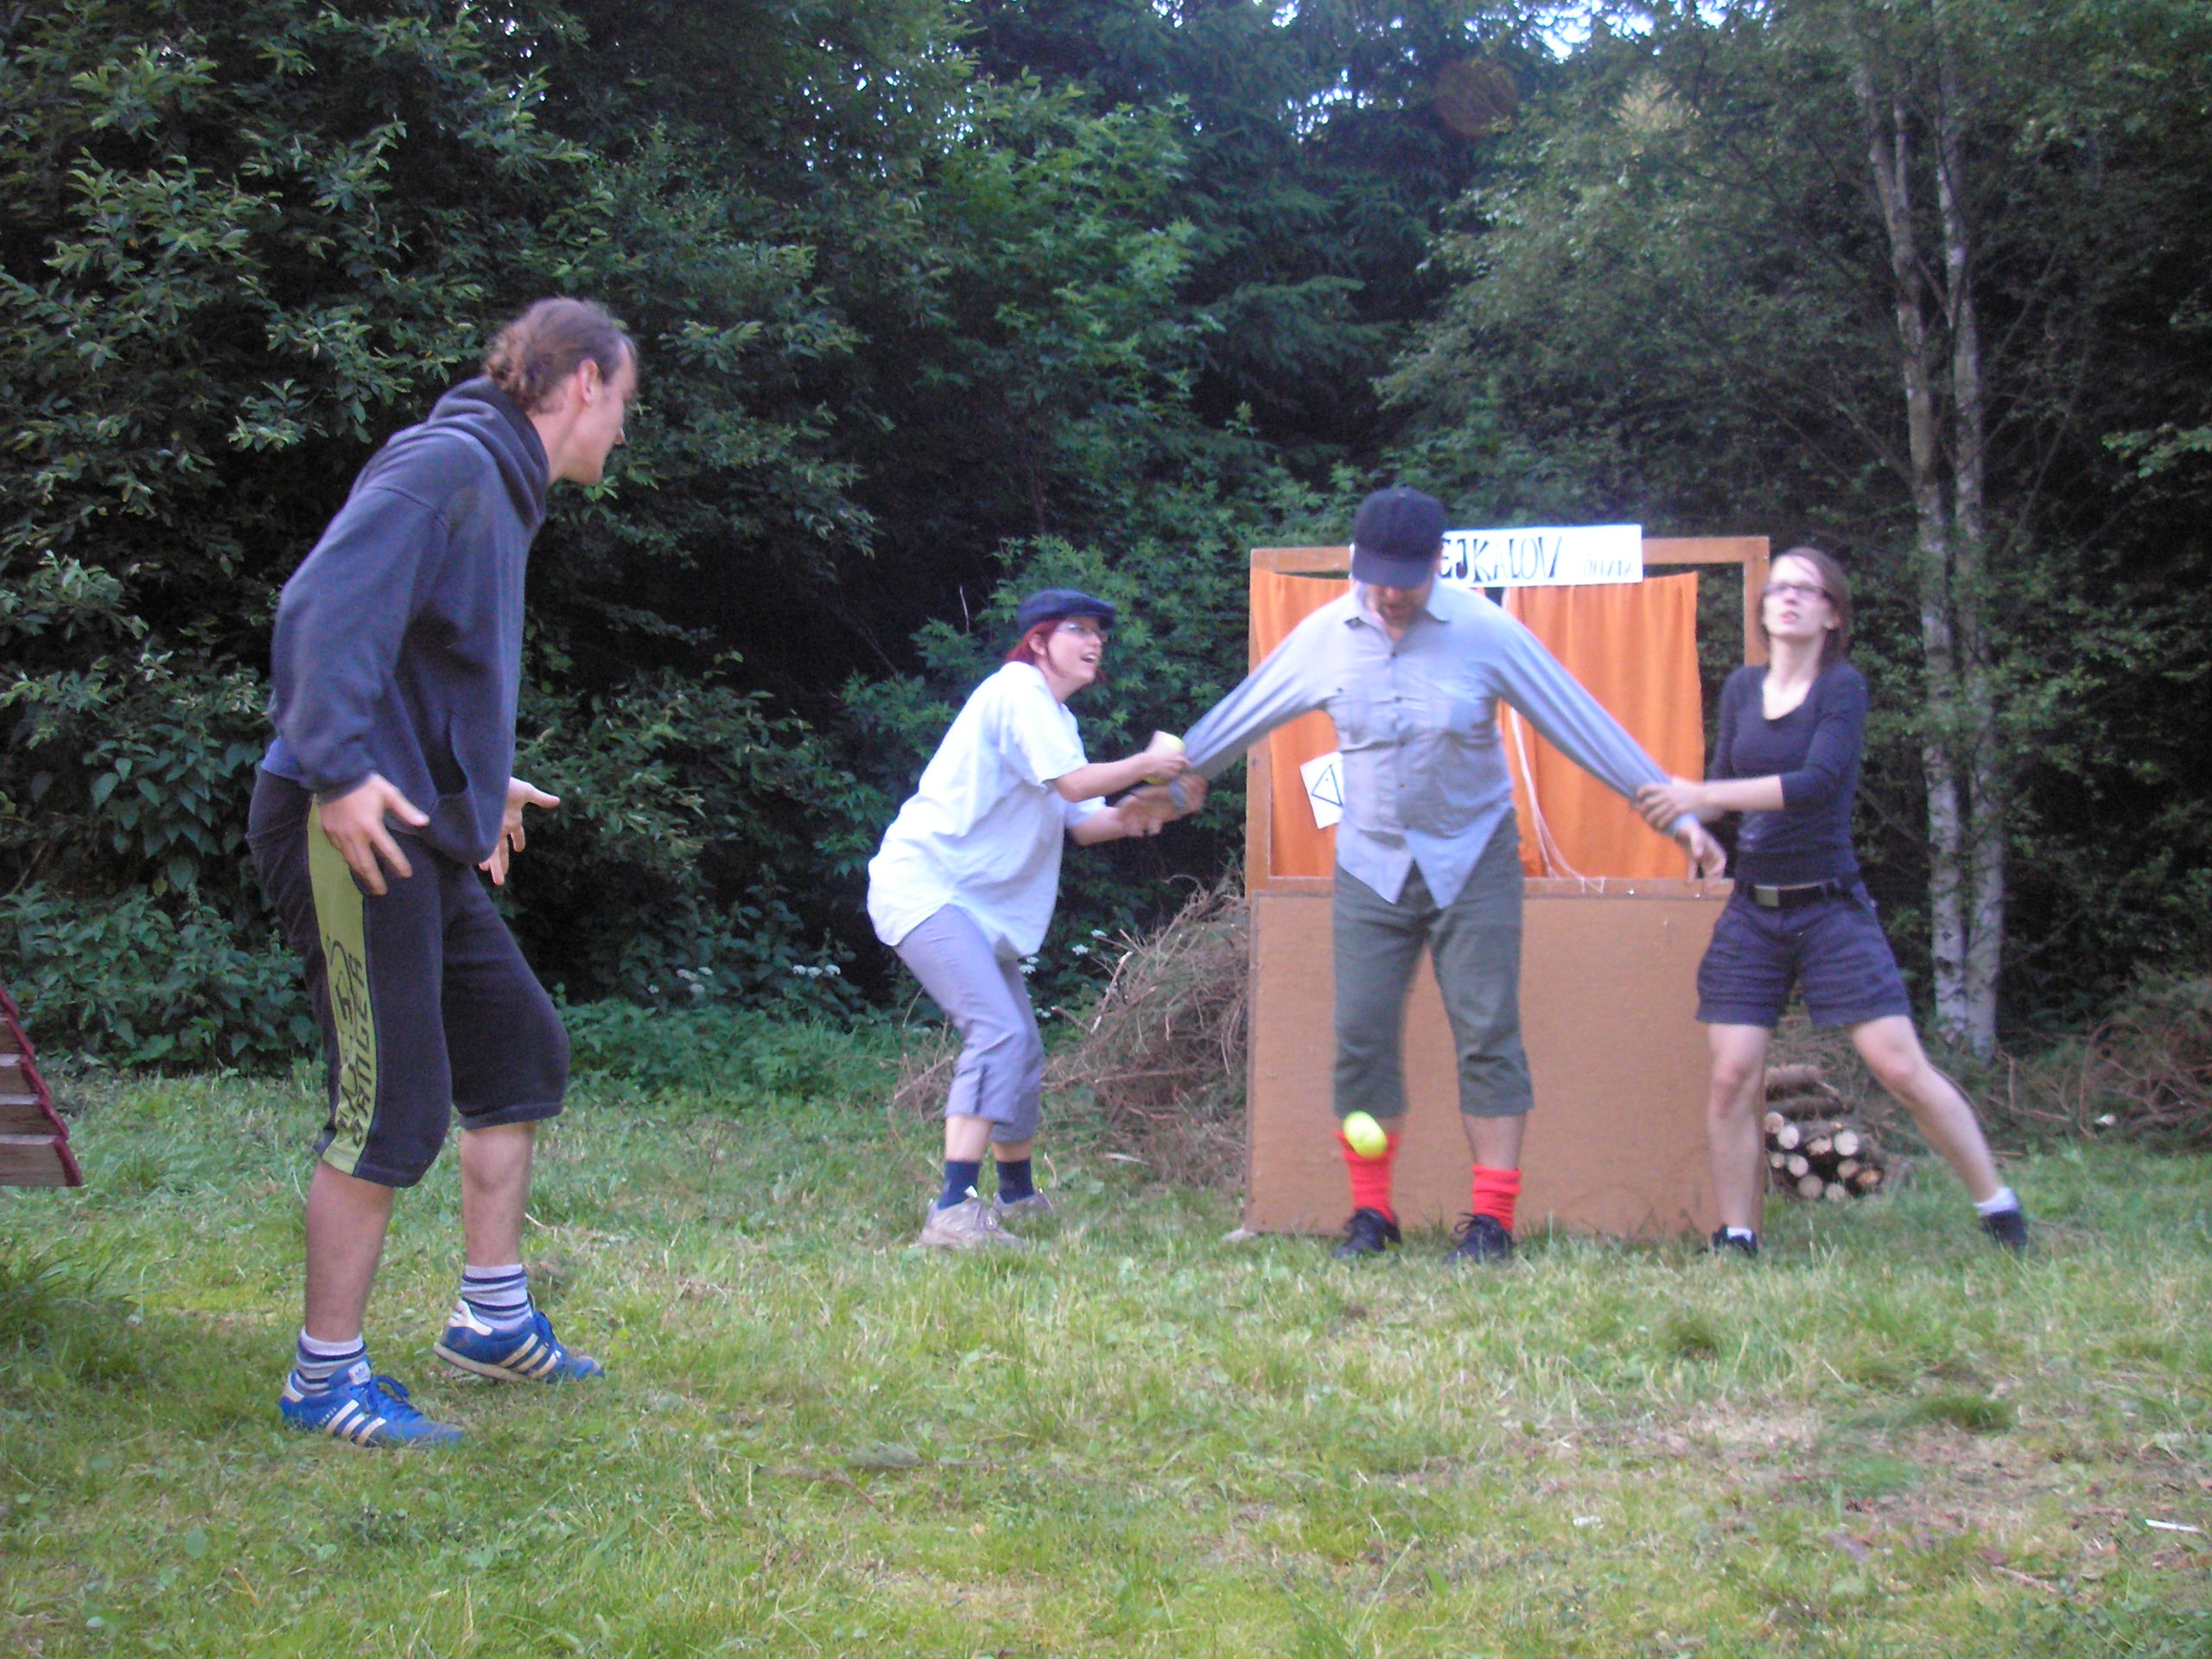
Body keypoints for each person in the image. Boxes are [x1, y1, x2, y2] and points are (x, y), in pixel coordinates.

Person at [247, 298, 638, 1446]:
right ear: (580, 380)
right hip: (351, 823)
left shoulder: (500, 489)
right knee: (392, 1108)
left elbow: (424, 662)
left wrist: (480, 785)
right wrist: (338, 771)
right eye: (623, 402)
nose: (623, 429)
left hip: (415, 817)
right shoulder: (449, 464)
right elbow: (323, 606)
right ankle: (324, 1377)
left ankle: (491, 1320)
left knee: (517, 1048)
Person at [1179, 487, 1727, 1262]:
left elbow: (1579, 720)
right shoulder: (1324, 638)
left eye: (1407, 580)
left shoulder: (1484, 631)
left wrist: (1675, 816)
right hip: (1371, 867)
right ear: (1357, 564)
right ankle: (1372, 1216)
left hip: (1473, 859)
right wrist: (1169, 783)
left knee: (1487, 1032)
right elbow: (1239, 716)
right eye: (1377, 578)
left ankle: (1492, 1222)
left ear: (1439, 563)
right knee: (1361, 1036)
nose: (1391, 595)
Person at [1634, 547, 2029, 1255]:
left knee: (1900, 1069)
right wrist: (1694, 826)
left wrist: (1704, 794)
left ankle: (1998, 1208)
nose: (1787, 598)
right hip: (1752, 910)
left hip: (1830, 907)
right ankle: (1738, 1237)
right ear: (1763, 608)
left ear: (1832, 614)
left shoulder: (1842, 688)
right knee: (1731, 1076)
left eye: (1806, 590)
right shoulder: (1741, 688)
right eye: (1778, 588)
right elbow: (1720, 788)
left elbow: (1815, 783)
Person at [869, 589, 1194, 1249]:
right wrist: (1146, 764)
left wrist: (1150, 808)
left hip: (974, 908)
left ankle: (1015, 1196)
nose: (1095, 641)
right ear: (1039, 641)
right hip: (927, 889)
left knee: (1022, 1044)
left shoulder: (1055, 720)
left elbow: (1084, 821)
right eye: (1078, 629)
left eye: (1099, 631)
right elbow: (1074, 784)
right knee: (999, 1033)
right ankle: (952, 1210)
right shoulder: (1017, 689)